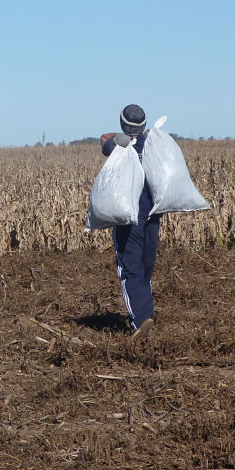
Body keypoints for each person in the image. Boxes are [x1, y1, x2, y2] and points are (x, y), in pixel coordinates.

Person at [99, 104, 160, 340]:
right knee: (145, 268)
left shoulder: (118, 146)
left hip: (127, 217)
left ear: (123, 124)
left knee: (130, 269)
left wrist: (120, 136)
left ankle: (141, 320)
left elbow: (104, 139)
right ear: (144, 125)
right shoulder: (154, 144)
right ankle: (146, 314)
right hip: (152, 215)